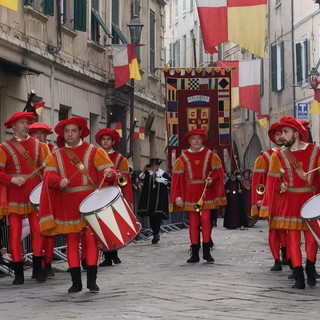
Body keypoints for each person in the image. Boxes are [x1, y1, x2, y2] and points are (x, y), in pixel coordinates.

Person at [39, 117, 116, 293]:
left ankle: (91, 280)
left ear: (80, 132)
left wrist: (110, 173)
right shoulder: (55, 155)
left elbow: (109, 169)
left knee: (90, 241)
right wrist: (59, 181)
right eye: (67, 131)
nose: (70, 134)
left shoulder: (94, 151)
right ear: (63, 134)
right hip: (68, 202)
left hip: (90, 202)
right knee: (72, 242)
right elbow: (48, 176)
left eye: (73, 131)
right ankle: (75, 282)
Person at [262, 116, 319, 289]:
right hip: (289, 201)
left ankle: (310, 267)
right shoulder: (278, 155)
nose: (282, 137)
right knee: (292, 239)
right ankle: (298, 275)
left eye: (286, 132)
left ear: (297, 133)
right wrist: (281, 186)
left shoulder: (316, 151)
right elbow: (272, 182)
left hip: (310, 200)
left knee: (312, 240)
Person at [0, 112, 50, 285]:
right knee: (14, 233)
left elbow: (46, 171)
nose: (25, 125)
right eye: (21, 123)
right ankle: (18, 271)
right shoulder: (4, 147)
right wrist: (12, 179)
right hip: (15, 192)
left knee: (37, 230)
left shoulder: (40, 145)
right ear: (13, 126)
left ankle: (38, 269)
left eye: (26, 123)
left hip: (34, 192)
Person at [170, 129, 226, 263]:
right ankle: (194, 252)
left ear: (202, 140)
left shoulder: (210, 155)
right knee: (194, 223)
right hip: (190, 193)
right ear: (189, 141)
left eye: (198, 138)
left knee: (206, 219)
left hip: (205, 192)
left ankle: (206, 251)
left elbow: (219, 172)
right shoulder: (182, 158)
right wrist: (177, 196)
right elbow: (177, 180)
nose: (196, 141)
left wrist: (211, 179)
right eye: (193, 139)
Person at [251, 122, 288, 271]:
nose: (280, 137)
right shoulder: (265, 157)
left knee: (288, 229)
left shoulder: (292, 152)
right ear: (273, 137)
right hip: (272, 198)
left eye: (282, 134)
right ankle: (277, 260)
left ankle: (288, 256)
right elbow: (259, 183)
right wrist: (259, 199)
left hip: (289, 197)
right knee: (274, 229)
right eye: (277, 135)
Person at [95, 128, 133, 266]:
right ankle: (107, 255)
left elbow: (125, 180)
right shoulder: (95, 155)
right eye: (103, 139)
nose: (105, 142)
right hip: (99, 194)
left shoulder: (120, 159)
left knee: (113, 225)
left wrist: (127, 199)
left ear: (112, 142)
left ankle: (113, 253)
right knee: (102, 227)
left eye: (108, 140)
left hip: (113, 194)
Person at [29, 122, 56, 277]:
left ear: (46, 136)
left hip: (49, 194)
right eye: (35, 134)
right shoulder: (28, 152)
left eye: (42, 133)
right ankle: (38, 264)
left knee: (49, 231)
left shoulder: (53, 153)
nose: (39, 136)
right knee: (37, 231)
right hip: (33, 196)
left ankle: (49, 262)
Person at [138, 158, 170, 244]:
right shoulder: (148, 174)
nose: (153, 167)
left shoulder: (163, 174)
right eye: (152, 165)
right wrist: (141, 175)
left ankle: (156, 234)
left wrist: (164, 181)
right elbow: (141, 178)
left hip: (159, 200)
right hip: (149, 200)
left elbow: (170, 182)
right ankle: (154, 232)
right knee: (151, 217)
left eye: (155, 165)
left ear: (158, 166)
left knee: (158, 217)